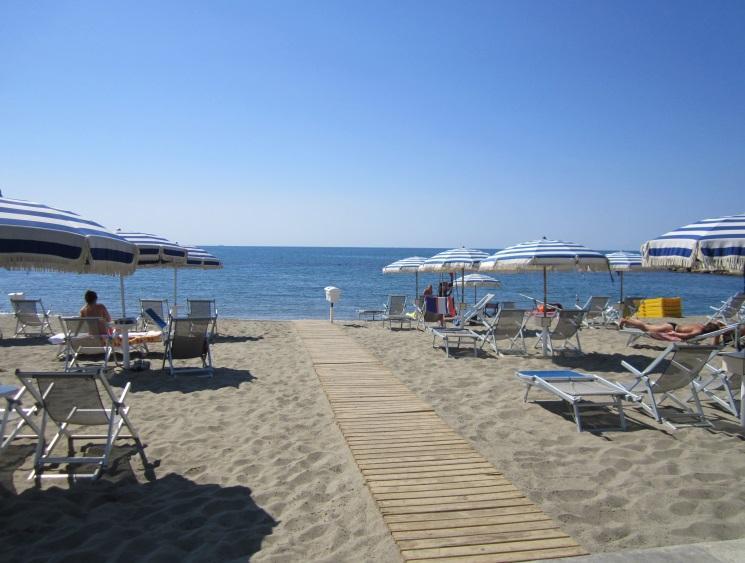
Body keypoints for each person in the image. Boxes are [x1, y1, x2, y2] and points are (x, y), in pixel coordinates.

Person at [619, 317, 726, 343]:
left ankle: (632, 321)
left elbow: (716, 322)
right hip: (671, 328)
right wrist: (674, 334)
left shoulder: (701, 325)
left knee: (648, 327)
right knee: (646, 328)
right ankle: (626, 320)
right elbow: (685, 336)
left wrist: (720, 327)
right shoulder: (698, 332)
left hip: (673, 325)